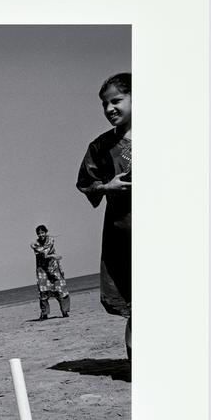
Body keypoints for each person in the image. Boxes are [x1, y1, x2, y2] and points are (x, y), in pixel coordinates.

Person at [76, 72, 132, 359]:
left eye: (116, 101)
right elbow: (85, 182)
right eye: (104, 104)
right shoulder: (99, 147)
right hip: (124, 233)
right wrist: (107, 186)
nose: (110, 109)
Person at [31, 225, 70, 320]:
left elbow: (46, 250)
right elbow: (44, 254)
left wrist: (52, 256)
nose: (41, 235)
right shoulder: (35, 244)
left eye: (42, 232)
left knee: (60, 289)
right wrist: (53, 256)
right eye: (39, 233)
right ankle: (44, 313)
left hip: (54, 268)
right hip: (42, 270)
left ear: (46, 232)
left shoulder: (51, 240)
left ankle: (64, 311)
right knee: (43, 291)